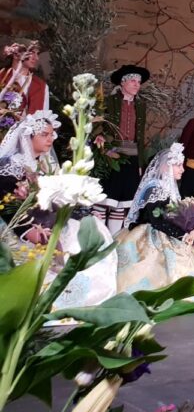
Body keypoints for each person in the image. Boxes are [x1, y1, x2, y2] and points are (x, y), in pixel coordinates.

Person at [0, 111, 117, 310]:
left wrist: (83, 212)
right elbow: (7, 205)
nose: (50, 139)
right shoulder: (11, 167)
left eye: (51, 134)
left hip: (51, 221)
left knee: (93, 230)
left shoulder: (47, 165)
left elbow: (62, 198)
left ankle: (83, 298)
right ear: (28, 137)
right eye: (44, 135)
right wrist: (29, 231)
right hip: (23, 227)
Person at [116, 143, 194, 302]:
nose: (182, 169)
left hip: (169, 231)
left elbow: (174, 215)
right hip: (153, 235)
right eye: (178, 165)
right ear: (165, 166)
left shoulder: (168, 187)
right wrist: (183, 235)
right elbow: (157, 221)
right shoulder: (155, 188)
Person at [100, 64, 150, 204]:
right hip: (112, 155)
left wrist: (140, 162)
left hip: (132, 156)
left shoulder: (140, 105)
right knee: (107, 199)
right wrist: (103, 142)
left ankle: (118, 227)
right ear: (123, 81)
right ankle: (99, 226)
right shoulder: (110, 101)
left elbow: (140, 134)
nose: (137, 85)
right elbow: (98, 124)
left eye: (139, 82)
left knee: (124, 201)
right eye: (133, 81)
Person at [0, 41, 50, 117]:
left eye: (37, 54)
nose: (36, 58)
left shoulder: (41, 86)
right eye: (32, 52)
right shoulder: (2, 76)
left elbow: (43, 119)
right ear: (16, 54)